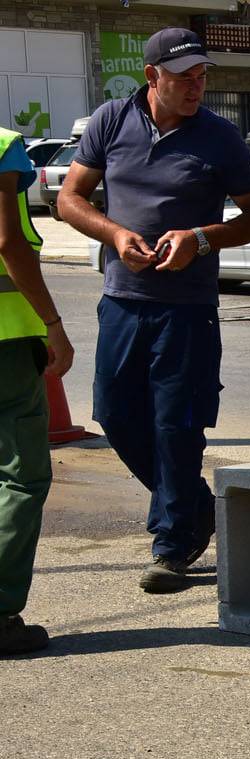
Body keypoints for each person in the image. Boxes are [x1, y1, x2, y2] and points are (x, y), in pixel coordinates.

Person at [57, 28, 250, 594]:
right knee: (115, 415)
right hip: (122, 302)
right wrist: (114, 233)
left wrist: (201, 239)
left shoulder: (220, 138)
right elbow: (69, 199)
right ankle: (196, 507)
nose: (196, 86)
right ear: (153, 77)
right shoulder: (111, 120)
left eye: (202, 76)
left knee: (176, 428)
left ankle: (172, 544)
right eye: (184, 77)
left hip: (188, 310)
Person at [0, 126, 73, 655]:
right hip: (4, 343)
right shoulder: (2, 145)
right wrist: (52, 322)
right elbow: (8, 242)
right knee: (21, 477)